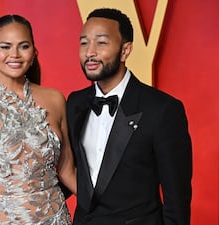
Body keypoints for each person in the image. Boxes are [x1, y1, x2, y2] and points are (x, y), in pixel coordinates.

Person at [66, 8, 192, 225]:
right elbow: (72, 173)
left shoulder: (163, 109)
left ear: (125, 50)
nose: (90, 52)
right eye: (84, 42)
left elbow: (176, 200)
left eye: (101, 43)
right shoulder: (74, 103)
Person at [0, 14, 76, 225]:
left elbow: (66, 170)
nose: (14, 54)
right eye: (5, 46)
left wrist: (109, 204)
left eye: (23, 46)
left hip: (55, 218)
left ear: (34, 52)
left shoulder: (56, 99)